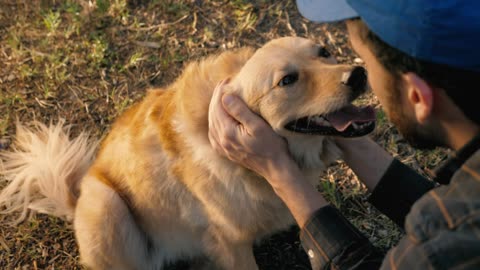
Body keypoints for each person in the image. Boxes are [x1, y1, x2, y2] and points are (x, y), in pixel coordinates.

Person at [208, 0, 480, 269]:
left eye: (368, 67)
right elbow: (446, 216)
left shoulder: (437, 257)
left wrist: (280, 173)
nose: (346, 75)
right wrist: (352, 142)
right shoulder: (462, 213)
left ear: (418, 96)